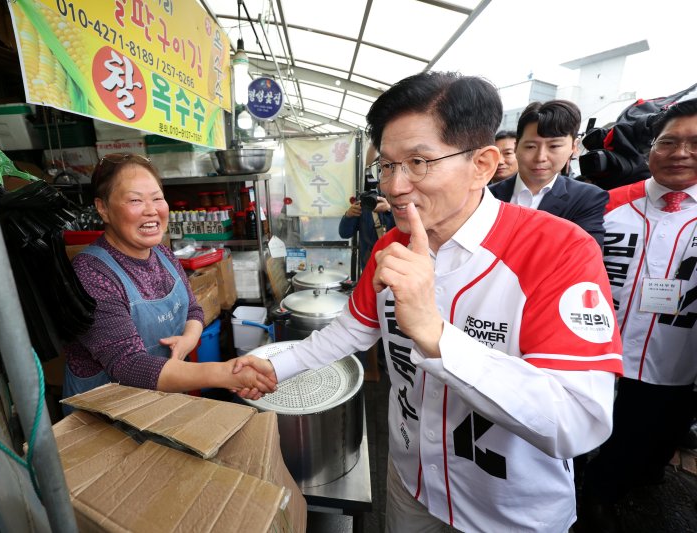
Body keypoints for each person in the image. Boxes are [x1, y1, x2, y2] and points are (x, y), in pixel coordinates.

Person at [235, 71, 622, 532]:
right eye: (387, 166)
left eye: (418, 162)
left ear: (482, 164)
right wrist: (273, 367)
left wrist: (435, 336)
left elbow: (578, 421)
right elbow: (348, 332)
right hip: (412, 480)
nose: (395, 186)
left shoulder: (559, 250)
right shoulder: (390, 246)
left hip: (509, 510)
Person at [61, 153, 275, 413]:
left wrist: (188, 339)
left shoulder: (163, 254)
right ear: (103, 208)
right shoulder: (91, 272)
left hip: (158, 402)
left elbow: (193, 310)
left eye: (157, 198)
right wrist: (225, 374)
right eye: (135, 200)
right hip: (105, 414)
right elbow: (128, 366)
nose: (151, 210)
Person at [580, 99, 697, 532]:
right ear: (650, 147)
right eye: (668, 142)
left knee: (648, 434)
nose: (680, 153)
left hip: (675, 356)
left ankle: (617, 488)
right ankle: (588, 498)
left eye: (694, 144)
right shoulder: (605, 204)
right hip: (596, 349)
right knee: (581, 429)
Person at [489, 100, 610, 248]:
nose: (541, 157)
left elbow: (586, 255)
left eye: (554, 146)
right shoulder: (486, 195)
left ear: (574, 147)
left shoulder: (587, 198)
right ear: (516, 147)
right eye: (531, 146)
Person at [339, 145, 395, 271]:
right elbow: (344, 233)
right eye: (380, 170)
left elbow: (409, 233)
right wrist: (348, 215)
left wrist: (389, 210)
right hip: (368, 268)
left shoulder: (400, 200)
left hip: (395, 267)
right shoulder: (365, 200)